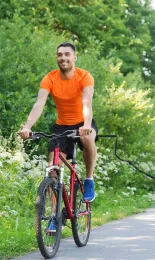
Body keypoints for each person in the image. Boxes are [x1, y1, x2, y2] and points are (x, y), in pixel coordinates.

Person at [19, 42, 97, 211]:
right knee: (52, 168)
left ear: (74, 57)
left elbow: (87, 102)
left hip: (83, 122)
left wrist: (86, 125)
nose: (63, 58)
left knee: (86, 137)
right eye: (60, 55)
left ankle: (89, 180)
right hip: (62, 126)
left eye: (67, 54)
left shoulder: (85, 77)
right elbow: (39, 104)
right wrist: (27, 126)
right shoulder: (50, 78)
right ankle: (55, 214)